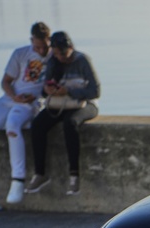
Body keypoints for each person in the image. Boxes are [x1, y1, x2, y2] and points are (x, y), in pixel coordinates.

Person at [0, 22, 51, 207]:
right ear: (32, 40)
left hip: (31, 102)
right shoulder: (20, 53)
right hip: (10, 98)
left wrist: (34, 96)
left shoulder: (54, 55)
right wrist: (14, 95)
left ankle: (18, 180)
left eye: (44, 46)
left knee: (13, 127)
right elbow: (6, 81)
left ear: (49, 41)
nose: (40, 50)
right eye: (37, 46)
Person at [25, 31, 100, 197]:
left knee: (70, 123)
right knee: (37, 125)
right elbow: (45, 91)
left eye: (63, 53)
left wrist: (69, 91)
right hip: (59, 104)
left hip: (84, 104)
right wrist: (48, 90)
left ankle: (74, 176)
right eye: (57, 54)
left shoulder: (82, 60)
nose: (60, 57)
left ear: (71, 48)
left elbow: (95, 91)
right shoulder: (53, 62)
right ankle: (40, 173)